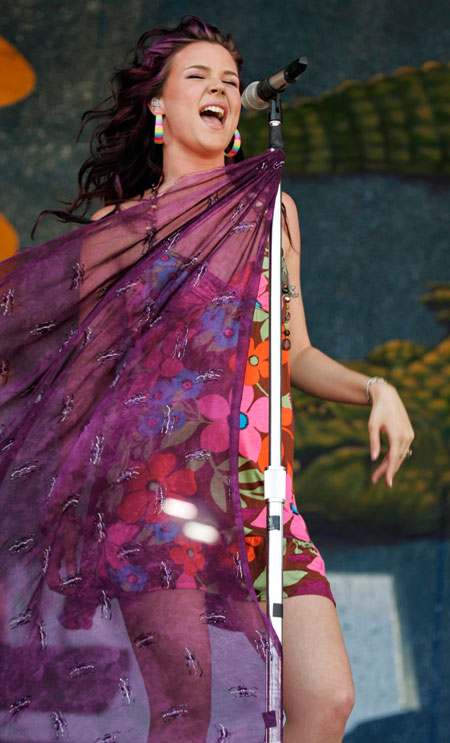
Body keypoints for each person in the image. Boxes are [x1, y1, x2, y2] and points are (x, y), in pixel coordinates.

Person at [0, 15, 414, 743]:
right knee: (186, 711)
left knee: (328, 699)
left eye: (230, 80)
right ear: (159, 107)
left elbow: (296, 352)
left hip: (260, 492)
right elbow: (74, 372)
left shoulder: (276, 215)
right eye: (199, 77)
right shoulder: (124, 228)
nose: (220, 88)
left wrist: (377, 388)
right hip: (159, 494)